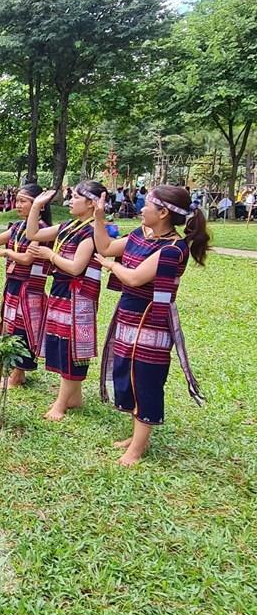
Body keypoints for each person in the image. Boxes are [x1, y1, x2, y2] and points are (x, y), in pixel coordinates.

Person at [92, 186, 208, 466]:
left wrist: (110, 266)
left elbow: (134, 278)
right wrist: (98, 219)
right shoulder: (139, 235)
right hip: (129, 314)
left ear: (163, 212)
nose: (141, 208)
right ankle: (136, 437)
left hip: (151, 320)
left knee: (145, 379)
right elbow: (105, 247)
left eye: (148, 205)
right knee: (128, 371)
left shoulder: (172, 249)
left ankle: (137, 448)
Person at [26, 181, 106, 421]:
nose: (70, 201)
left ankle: (60, 404)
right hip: (61, 290)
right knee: (61, 342)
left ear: (91, 203)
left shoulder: (91, 232)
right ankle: (75, 397)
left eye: (76, 197)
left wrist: (50, 255)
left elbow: (75, 267)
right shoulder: (69, 226)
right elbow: (32, 234)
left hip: (78, 296)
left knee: (73, 348)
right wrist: (36, 207)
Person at [0, 183, 51, 387]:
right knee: (11, 325)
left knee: (23, 328)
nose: (18, 205)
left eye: (23, 201)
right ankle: (14, 369)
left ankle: (18, 374)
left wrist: (7, 252)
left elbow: (27, 258)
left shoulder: (42, 229)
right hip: (14, 283)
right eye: (17, 200)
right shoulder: (17, 226)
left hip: (29, 287)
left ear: (39, 205)